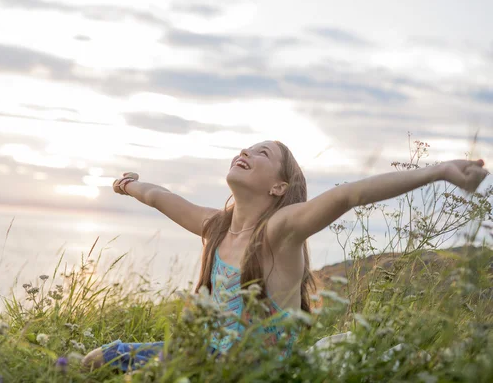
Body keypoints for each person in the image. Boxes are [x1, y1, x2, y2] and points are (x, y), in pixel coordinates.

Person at [81, 140, 489, 372]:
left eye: (262, 154)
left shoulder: (280, 231)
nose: (246, 151)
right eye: (247, 148)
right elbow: (160, 197)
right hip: (202, 358)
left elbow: (349, 194)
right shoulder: (215, 226)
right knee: (97, 359)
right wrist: (128, 185)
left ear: (279, 188)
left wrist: (439, 171)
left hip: (262, 370)